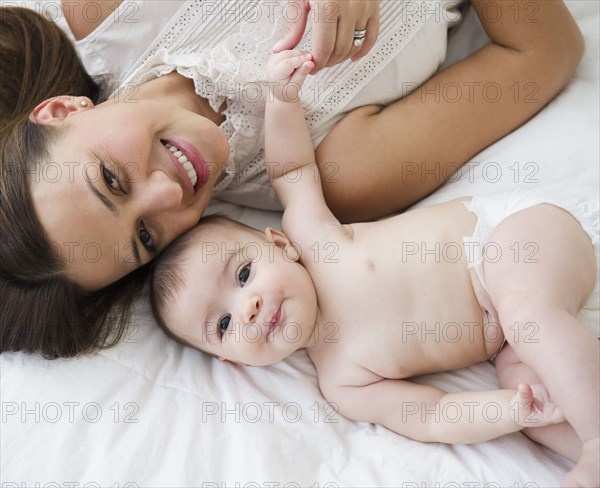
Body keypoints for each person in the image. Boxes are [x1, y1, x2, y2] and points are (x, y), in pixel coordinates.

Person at [0, 1, 585, 358]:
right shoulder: (341, 171)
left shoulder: (106, 11)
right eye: (148, 236)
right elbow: (544, 48)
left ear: (61, 111)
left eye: (111, 179)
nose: (169, 194)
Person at [150, 49, 599, 487]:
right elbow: (430, 416)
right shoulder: (344, 383)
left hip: (504, 237)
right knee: (539, 400)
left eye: (244, 274)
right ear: (231, 361)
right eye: (224, 323)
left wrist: (281, 99)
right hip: (502, 339)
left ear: (279, 244)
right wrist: (511, 411)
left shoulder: (313, 238)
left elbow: (291, 171)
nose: (247, 308)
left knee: (528, 317)